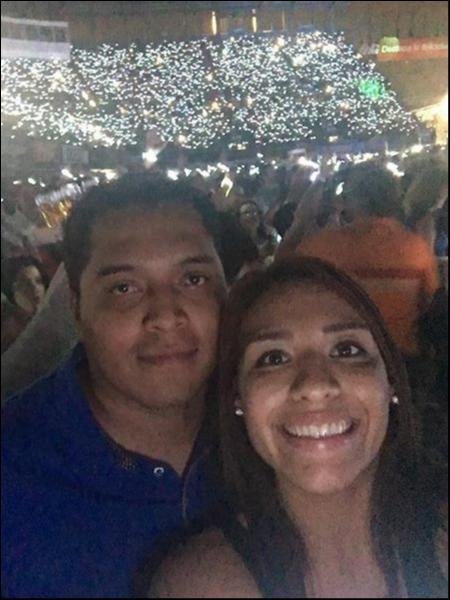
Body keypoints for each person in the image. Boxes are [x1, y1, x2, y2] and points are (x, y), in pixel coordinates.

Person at [149, 257, 448, 599]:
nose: (315, 385)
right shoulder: (199, 585)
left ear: (390, 380)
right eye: (274, 358)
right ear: (238, 398)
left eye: (346, 350)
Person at [2, 175, 229, 598]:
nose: (166, 316)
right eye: (124, 288)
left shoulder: (276, 436)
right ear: (77, 308)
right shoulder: (14, 471)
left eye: (193, 279)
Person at [290, 164, 440, 357]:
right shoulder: (417, 249)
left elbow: (282, 276)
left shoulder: (321, 248)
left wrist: (300, 222)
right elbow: (431, 301)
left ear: (350, 200)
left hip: (341, 358)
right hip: (402, 358)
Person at [1, 256, 49, 353]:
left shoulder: (55, 316)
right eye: (26, 284)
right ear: (13, 293)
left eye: (38, 281)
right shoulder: (9, 336)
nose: (35, 288)